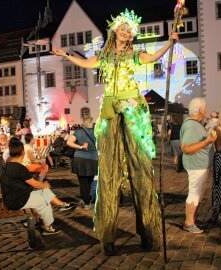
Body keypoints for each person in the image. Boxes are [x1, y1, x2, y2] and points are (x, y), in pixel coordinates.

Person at [53, 9, 178, 254]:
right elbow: (87, 62)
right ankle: (107, 233)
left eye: (129, 29)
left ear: (132, 35)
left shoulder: (134, 54)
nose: (125, 31)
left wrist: (170, 43)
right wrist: (66, 54)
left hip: (132, 108)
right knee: (108, 171)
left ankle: (148, 233)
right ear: (115, 30)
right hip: (110, 109)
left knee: (140, 169)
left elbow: (152, 57)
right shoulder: (105, 54)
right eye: (122, 27)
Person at [0, 137, 60, 235]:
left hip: (11, 197)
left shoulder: (8, 164)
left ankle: (58, 206)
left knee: (43, 193)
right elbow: (34, 183)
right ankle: (47, 227)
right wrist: (44, 184)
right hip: (16, 201)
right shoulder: (19, 168)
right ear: (23, 152)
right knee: (43, 201)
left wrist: (42, 187)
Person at [180, 97, 216, 233]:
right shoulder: (191, 125)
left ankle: (192, 220)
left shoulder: (193, 124)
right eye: (205, 108)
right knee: (194, 194)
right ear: (200, 110)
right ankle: (189, 223)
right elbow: (186, 148)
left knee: (198, 194)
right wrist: (208, 141)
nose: (206, 110)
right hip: (196, 165)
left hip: (199, 165)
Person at [66, 117, 98, 210]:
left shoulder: (79, 132)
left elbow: (69, 142)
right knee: (89, 181)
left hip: (80, 159)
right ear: (91, 123)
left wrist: (80, 147)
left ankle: (86, 202)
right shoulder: (96, 132)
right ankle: (86, 199)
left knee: (83, 182)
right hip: (93, 159)